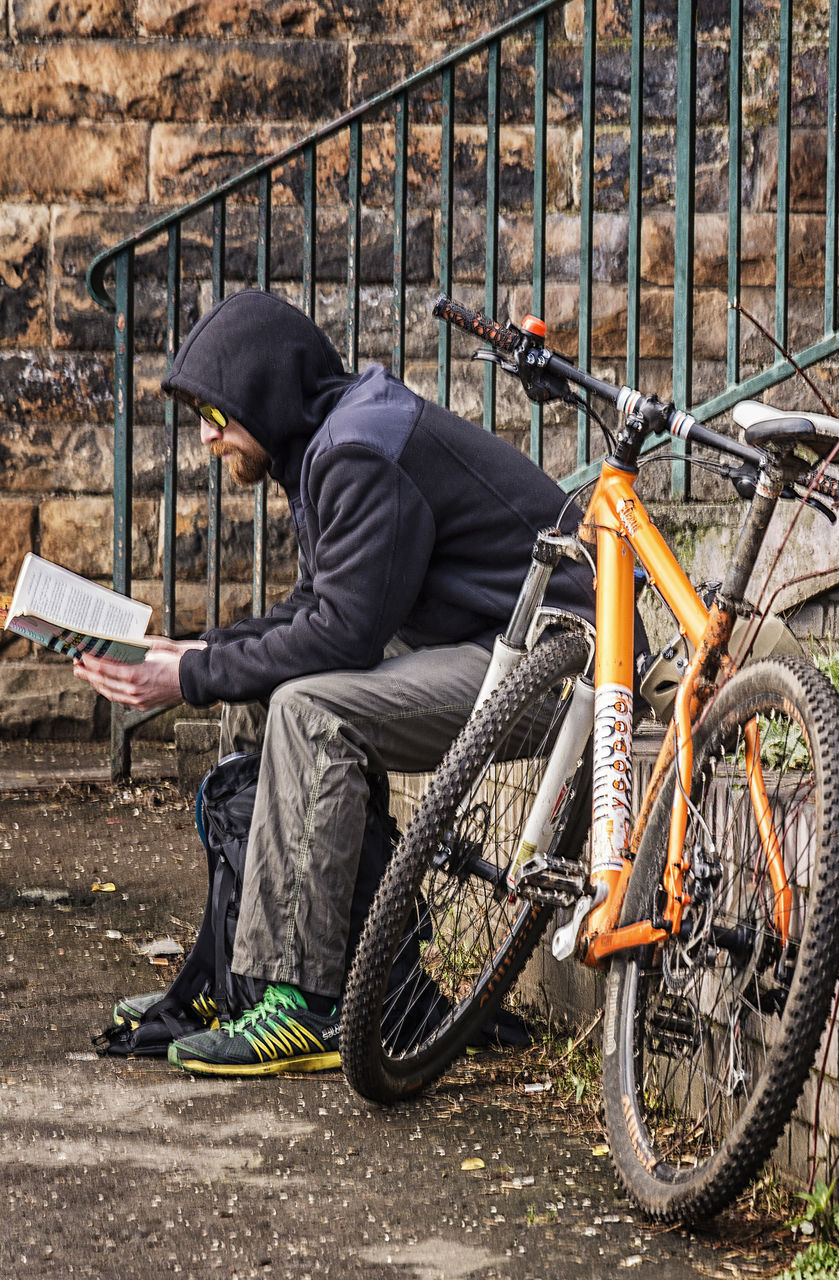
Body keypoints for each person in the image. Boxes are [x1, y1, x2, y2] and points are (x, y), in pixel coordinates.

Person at [75, 288, 598, 1078]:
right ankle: (238, 974)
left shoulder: (358, 451)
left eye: (217, 418)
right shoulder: (332, 441)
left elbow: (340, 636)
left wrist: (188, 674)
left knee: (311, 708)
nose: (209, 441)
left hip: (554, 664)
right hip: (484, 645)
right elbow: (317, 610)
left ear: (264, 395)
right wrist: (199, 651)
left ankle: (306, 1003)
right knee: (261, 693)